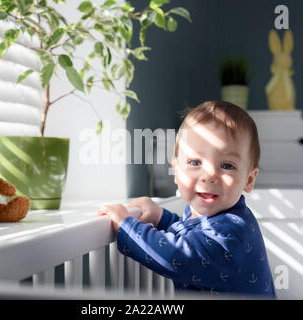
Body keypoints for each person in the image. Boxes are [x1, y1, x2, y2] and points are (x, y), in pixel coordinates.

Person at [98, 101, 276, 298]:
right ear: (175, 170)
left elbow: (177, 255)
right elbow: (192, 236)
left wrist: (126, 226)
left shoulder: (231, 234)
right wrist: (161, 217)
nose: (209, 175)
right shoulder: (211, 214)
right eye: (195, 162)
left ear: (249, 180)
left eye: (226, 165)